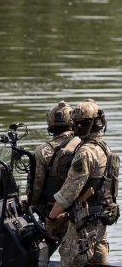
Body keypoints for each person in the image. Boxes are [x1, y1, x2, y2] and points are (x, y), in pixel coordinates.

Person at [47, 99, 119, 267]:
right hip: (100, 223)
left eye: (82, 123)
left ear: (95, 123)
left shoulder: (85, 153)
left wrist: (51, 217)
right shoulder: (105, 148)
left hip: (83, 225)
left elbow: (69, 192)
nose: (79, 127)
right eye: (76, 123)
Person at [28, 101, 79, 254]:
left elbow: (36, 186)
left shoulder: (43, 150)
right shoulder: (85, 146)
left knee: (36, 254)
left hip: (51, 213)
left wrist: (30, 206)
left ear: (50, 124)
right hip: (80, 212)